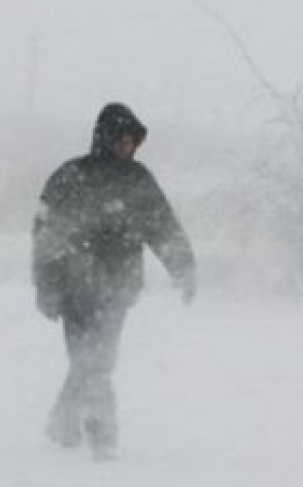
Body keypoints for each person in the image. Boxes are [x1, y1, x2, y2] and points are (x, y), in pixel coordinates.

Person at [32, 102, 196, 459]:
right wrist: (45, 286)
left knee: (95, 360)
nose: (126, 147)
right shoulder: (70, 176)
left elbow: (162, 225)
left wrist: (183, 267)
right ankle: (102, 433)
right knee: (92, 360)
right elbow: (45, 235)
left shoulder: (138, 180)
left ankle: (64, 421)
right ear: (104, 138)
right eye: (120, 141)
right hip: (74, 288)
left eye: (131, 142)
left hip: (118, 290)